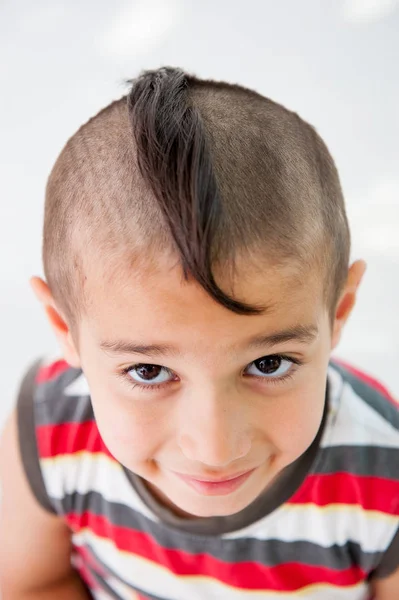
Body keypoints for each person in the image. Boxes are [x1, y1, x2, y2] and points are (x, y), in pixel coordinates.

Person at [0, 66, 398, 600]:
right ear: (64, 329)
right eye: (149, 371)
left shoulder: (384, 472)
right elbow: (33, 584)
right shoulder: (51, 427)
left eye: (269, 363)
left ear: (339, 310)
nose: (214, 447)